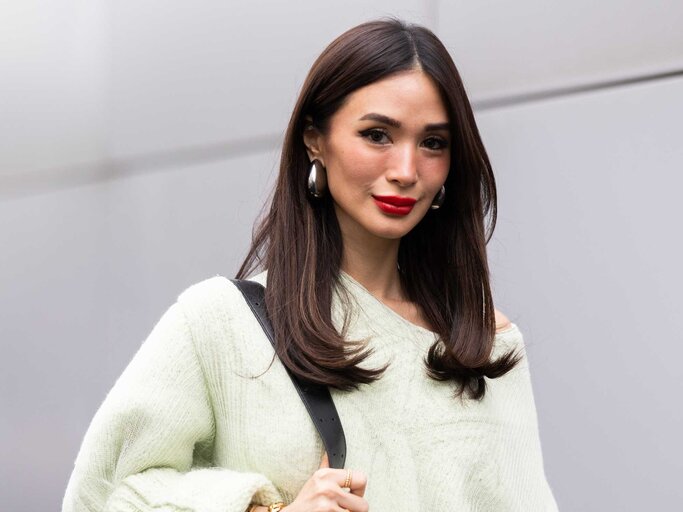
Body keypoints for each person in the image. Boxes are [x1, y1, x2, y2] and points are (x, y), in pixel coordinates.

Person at [62, 17, 559, 512]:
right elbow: (101, 495)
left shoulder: (483, 346)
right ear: (314, 139)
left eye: (433, 143)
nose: (406, 171)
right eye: (377, 135)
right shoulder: (222, 324)